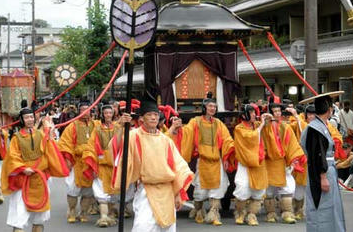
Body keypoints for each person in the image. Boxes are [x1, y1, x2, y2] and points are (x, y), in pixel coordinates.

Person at [111, 99, 194, 232]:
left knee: (168, 227)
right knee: (143, 227)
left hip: (167, 190)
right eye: (149, 114)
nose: (154, 117)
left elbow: (178, 167)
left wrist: (178, 193)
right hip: (146, 190)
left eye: (156, 114)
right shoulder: (133, 136)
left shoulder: (166, 140)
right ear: (142, 118)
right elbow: (118, 149)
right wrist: (120, 127)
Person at [1, 106, 69, 232]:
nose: (29, 120)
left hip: (40, 179)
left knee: (40, 216)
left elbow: (50, 152)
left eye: (31, 117)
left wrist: (51, 137)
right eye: (26, 117)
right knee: (19, 213)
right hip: (23, 179)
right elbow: (12, 157)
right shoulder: (16, 138)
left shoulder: (42, 135)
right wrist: (23, 168)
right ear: (21, 120)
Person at [180, 96, 235, 226]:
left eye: (214, 107)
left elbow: (227, 139)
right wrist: (177, 129)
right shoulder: (196, 121)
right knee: (200, 190)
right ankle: (198, 211)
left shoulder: (218, 123)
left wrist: (227, 156)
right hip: (203, 161)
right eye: (210, 106)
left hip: (217, 162)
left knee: (217, 188)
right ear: (204, 108)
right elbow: (186, 133)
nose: (212, 109)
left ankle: (214, 214)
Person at [300, 91, 346, 232]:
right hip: (322, 172)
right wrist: (323, 177)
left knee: (331, 207)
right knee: (322, 208)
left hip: (327, 169)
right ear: (329, 109)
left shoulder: (321, 126)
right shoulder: (315, 128)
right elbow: (317, 155)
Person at [83, 104, 130, 227]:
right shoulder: (97, 129)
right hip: (102, 165)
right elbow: (91, 146)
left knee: (114, 191)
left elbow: (125, 144)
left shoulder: (118, 127)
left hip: (115, 165)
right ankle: (103, 217)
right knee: (101, 191)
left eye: (110, 113)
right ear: (102, 115)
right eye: (106, 113)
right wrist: (92, 164)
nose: (108, 115)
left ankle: (110, 215)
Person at [262, 102, 306, 224]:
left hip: (283, 164)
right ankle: (270, 214)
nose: (277, 113)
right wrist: (263, 122)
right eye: (275, 111)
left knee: (288, 188)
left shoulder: (286, 127)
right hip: (269, 163)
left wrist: (293, 161)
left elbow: (293, 144)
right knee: (269, 191)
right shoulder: (264, 127)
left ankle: (287, 213)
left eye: (279, 111)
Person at [58, 101, 97, 223]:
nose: (86, 112)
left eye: (88, 109)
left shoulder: (96, 125)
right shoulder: (72, 126)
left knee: (88, 190)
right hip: (76, 162)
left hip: (90, 162)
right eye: (83, 110)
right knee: (72, 189)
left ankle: (84, 212)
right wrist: (68, 159)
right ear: (79, 111)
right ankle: (72, 210)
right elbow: (65, 143)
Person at [233, 105, 268, 226]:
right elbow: (250, 138)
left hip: (259, 162)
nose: (254, 114)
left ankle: (252, 215)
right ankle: (240, 213)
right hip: (245, 163)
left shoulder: (257, 125)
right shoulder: (239, 128)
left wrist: (266, 119)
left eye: (255, 112)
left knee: (258, 190)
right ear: (244, 115)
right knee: (242, 188)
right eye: (251, 112)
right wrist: (262, 125)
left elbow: (269, 130)